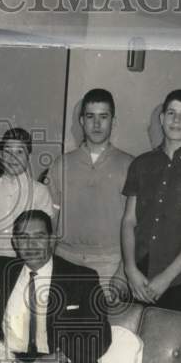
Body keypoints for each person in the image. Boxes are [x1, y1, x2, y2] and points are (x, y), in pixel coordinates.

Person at [0, 210, 110, 363]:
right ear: (15, 243)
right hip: (6, 362)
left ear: (52, 240)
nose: (31, 245)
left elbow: (100, 336)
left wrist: (57, 357)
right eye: (24, 238)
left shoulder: (81, 278)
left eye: (39, 237)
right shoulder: (1, 269)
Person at [120, 89, 181, 314]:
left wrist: (166, 278)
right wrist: (130, 269)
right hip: (140, 273)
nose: (176, 120)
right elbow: (129, 221)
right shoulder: (141, 164)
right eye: (171, 113)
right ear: (161, 119)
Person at [46, 88, 133, 299]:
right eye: (90, 116)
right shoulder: (61, 164)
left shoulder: (130, 165)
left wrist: (123, 270)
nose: (96, 124)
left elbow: (134, 224)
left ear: (114, 121)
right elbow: (51, 218)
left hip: (108, 264)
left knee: (103, 328)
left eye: (103, 117)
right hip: (65, 257)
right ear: (81, 121)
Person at [0, 127, 54, 263]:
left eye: (19, 152)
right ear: (1, 155)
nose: (12, 157)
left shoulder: (40, 191)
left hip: (28, 263)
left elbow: (46, 236)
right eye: (8, 151)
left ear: (28, 157)